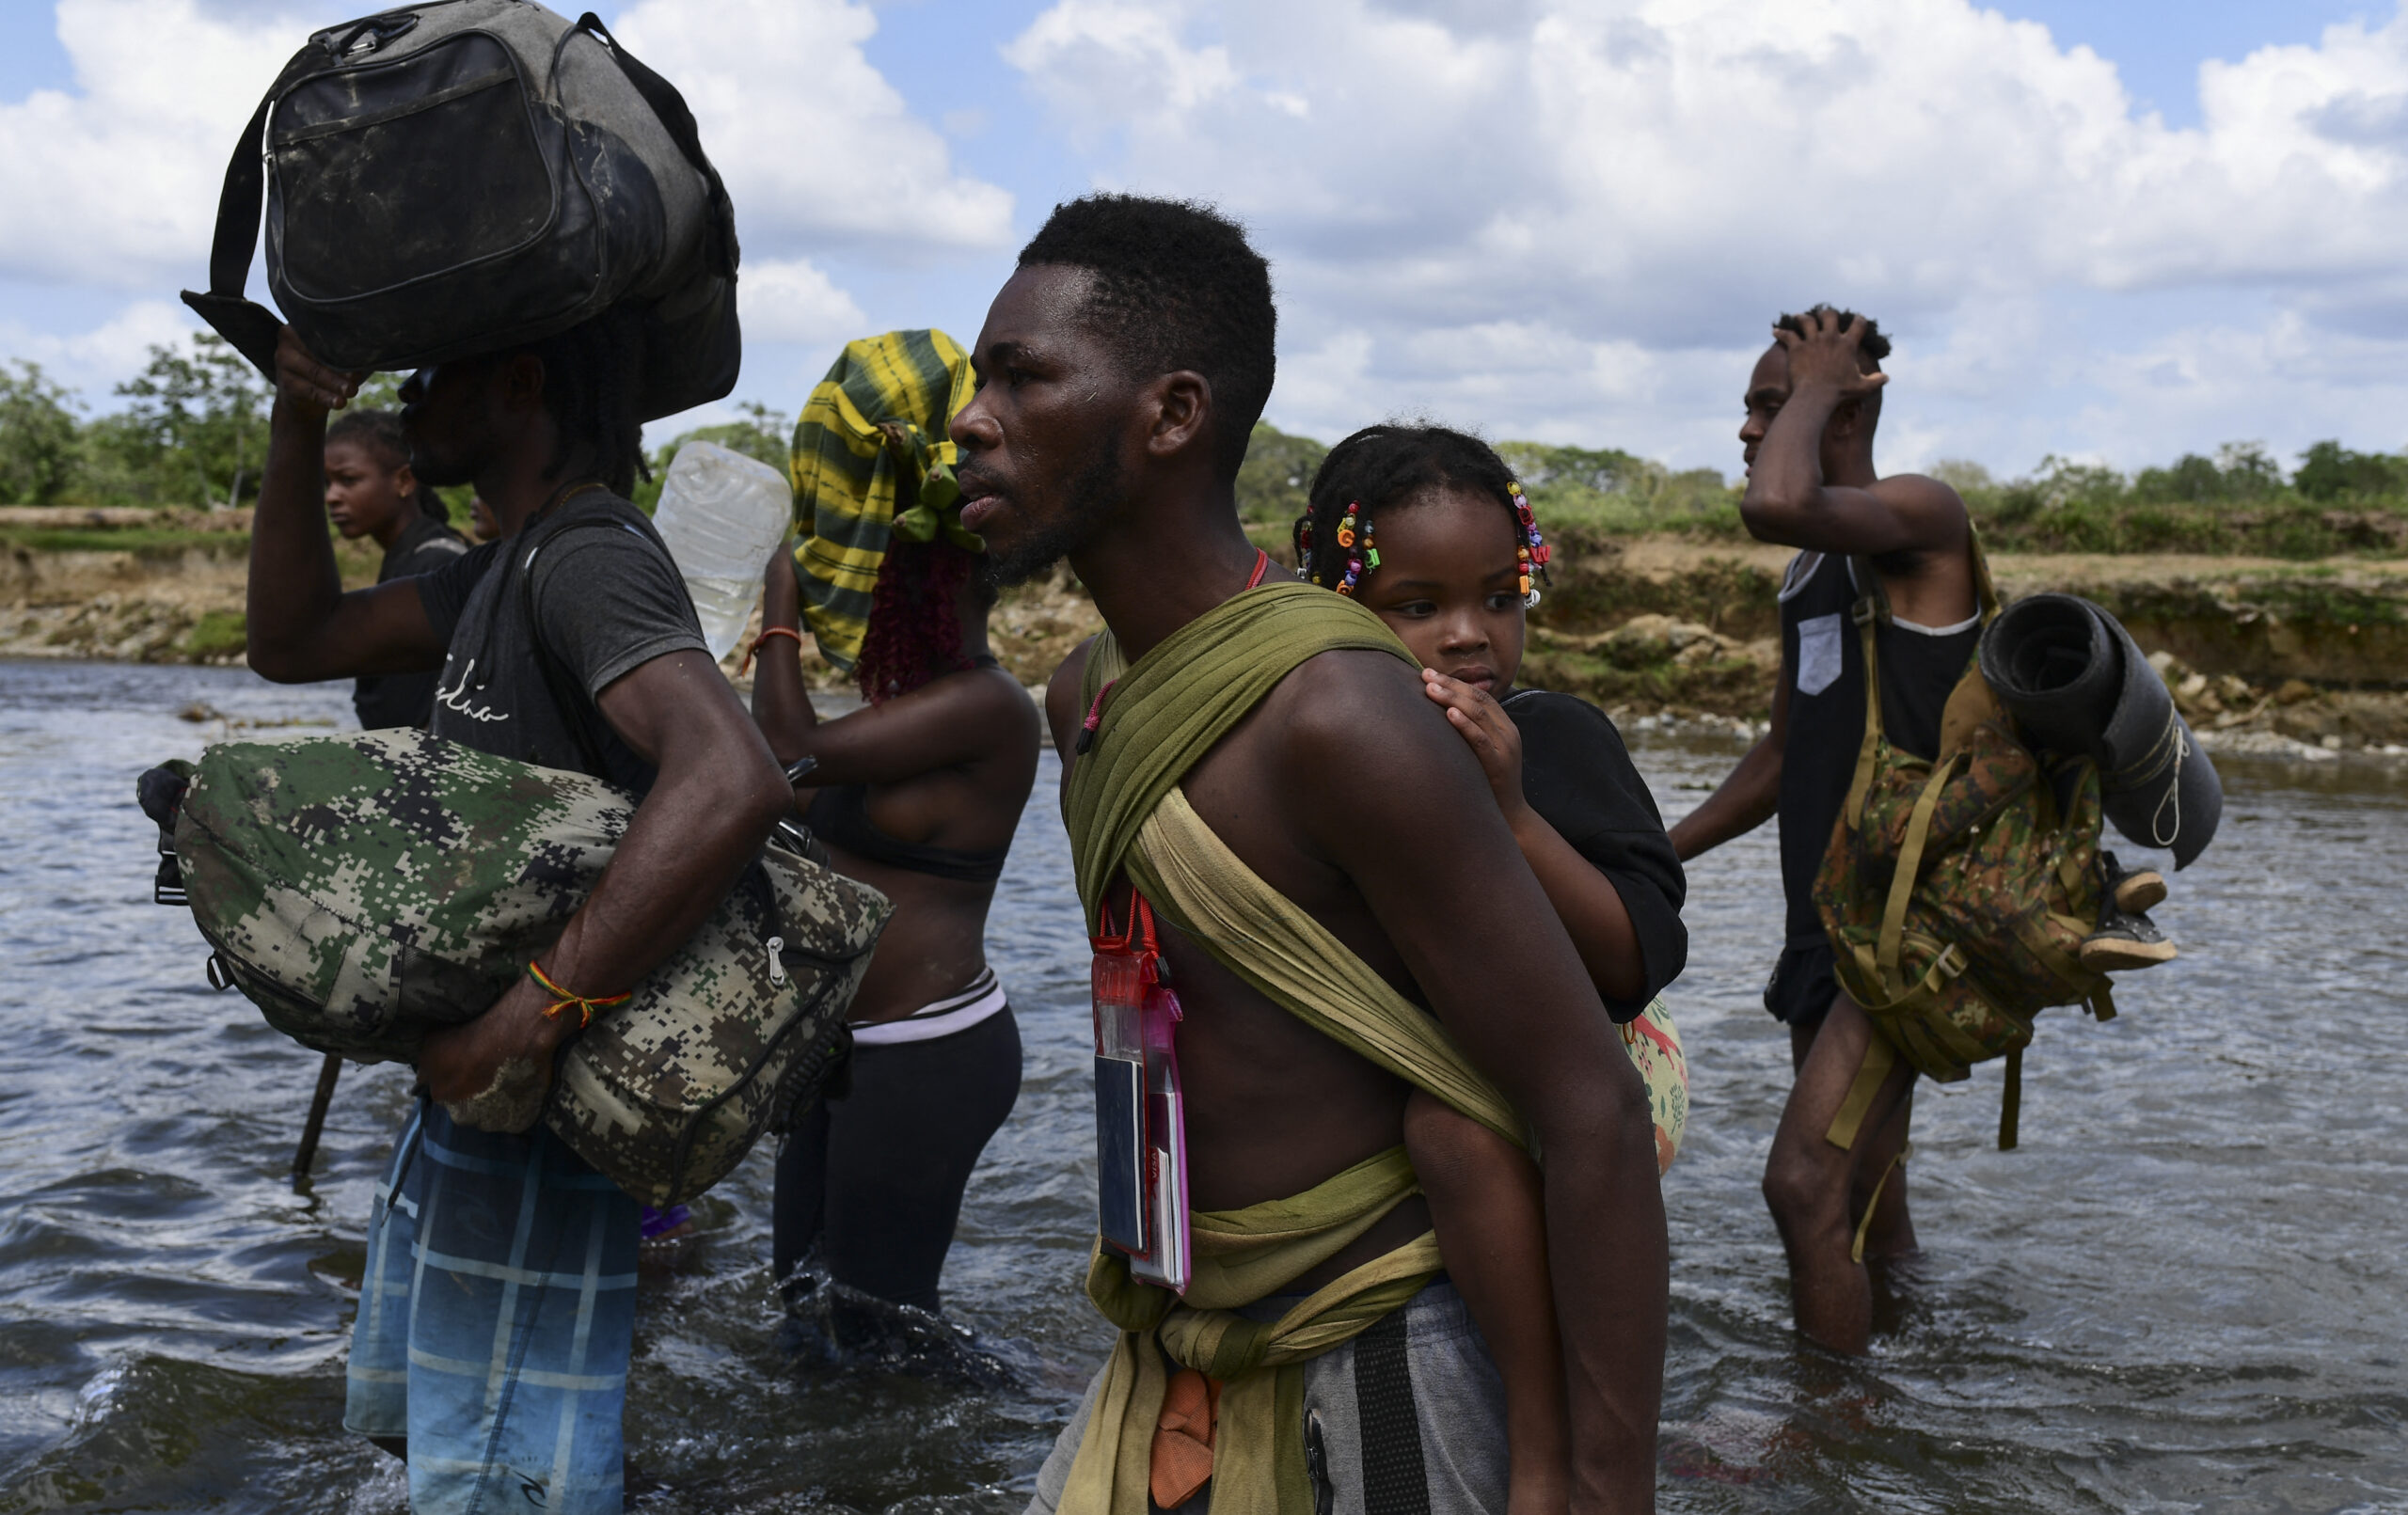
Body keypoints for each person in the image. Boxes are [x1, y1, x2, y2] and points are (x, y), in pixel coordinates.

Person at [958, 194, 1667, 1515]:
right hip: (1176, 1337)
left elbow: (1592, 1106)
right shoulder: (1085, 694)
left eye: (1022, 376)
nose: (972, 417)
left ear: (1173, 414)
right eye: (978, 377)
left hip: (1381, 1349)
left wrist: (1600, 1481)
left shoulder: (1339, 715)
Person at [245, 307, 796, 1513]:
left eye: (438, 370)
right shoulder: (505, 565)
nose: (413, 396)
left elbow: (730, 775)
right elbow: (291, 638)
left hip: (542, 1082)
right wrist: (296, 414)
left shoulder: (587, 556)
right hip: (491, 1091)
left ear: (519, 386)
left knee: (507, 1472)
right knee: (466, 1443)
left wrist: (524, 1020)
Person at [1291, 422, 1690, 1515]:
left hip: (1611, 1067)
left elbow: (1637, 956)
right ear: (1328, 605)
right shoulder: (1329, 753)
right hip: (1465, 1061)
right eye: (1417, 605)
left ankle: (1542, 1444)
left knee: (1449, 1129)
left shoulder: (1553, 736)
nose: (1469, 636)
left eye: (1500, 600)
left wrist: (1509, 811)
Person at [1665, 306, 1975, 1355]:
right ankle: (1915, 1372)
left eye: (1771, 405)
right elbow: (1781, 755)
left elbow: (1777, 500)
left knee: (1801, 1184)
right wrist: (1650, 856)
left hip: (1904, 930)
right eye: (1753, 407)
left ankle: (1832, 1424)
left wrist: (1819, 380)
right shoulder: (1810, 573)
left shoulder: (1921, 519)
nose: (1750, 430)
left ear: (1844, 407)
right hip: (1828, 926)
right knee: (1867, 1195)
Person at [746, 329, 1040, 1324]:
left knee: (882, 1325)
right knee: (803, 1307)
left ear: (938, 580)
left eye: (892, 573)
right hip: (841, 1045)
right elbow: (772, 787)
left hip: (926, 1050)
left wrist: (779, 608)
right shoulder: (903, 713)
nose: (876, 588)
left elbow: (786, 752)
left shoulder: (989, 708)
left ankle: (1032, 1400)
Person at [323, 407, 467, 729]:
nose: (332, 497)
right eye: (327, 483)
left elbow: (412, 712)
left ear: (404, 480)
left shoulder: (435, 565)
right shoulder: (408, 558)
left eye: (348, 480)